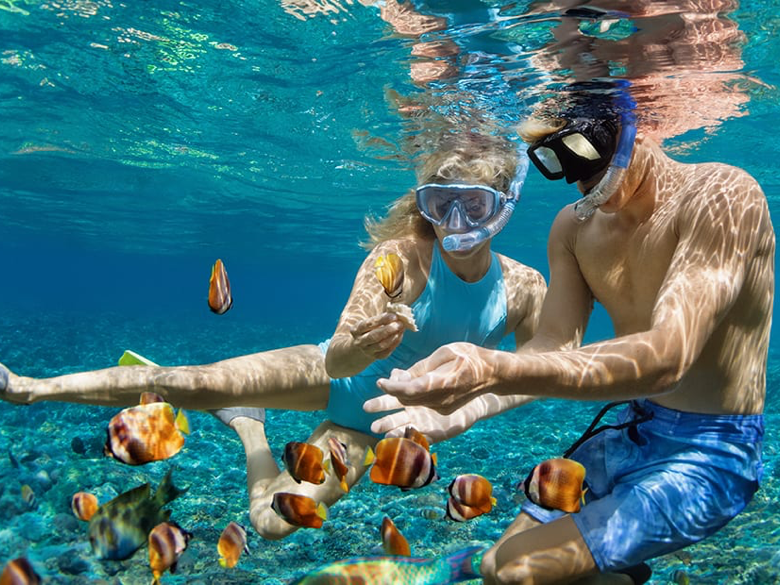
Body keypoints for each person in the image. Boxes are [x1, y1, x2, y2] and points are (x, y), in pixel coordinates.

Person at [0, 130, 547, 540]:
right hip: (333, 378)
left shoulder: (524, 287)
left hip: (368, 432)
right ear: (424, 203)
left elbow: (542, 371)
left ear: (503, 206)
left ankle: (249, 427)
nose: (454, 222)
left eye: (473, 204)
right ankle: (29, 387)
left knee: (271, 523)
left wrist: (468, 407)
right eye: (440, 204)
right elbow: (336, 361)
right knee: (188, 383)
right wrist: (358, 346)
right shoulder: (398, 258)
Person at [368, 90, 774, 584]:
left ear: (633, 126)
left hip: (710, 452)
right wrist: (469, 407)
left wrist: (493, 369)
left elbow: (670, 355)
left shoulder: (722, 194)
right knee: (502, 562)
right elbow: (553, 346)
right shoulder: (573, 228)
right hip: (630, 429)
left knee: (513, 571)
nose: (581, 179)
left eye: (585, 150)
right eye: (558, 162)